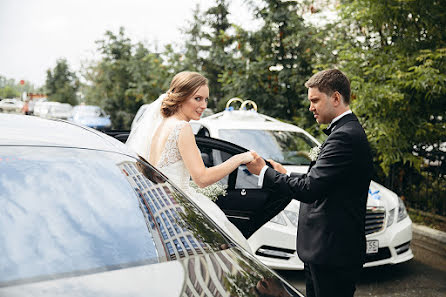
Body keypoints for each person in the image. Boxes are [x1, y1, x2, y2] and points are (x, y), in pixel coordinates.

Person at [246, 69, 373, 297]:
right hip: (326, 250)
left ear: (335, 98)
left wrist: (264, 172)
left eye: (315, 100)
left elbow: (310, 189)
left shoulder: (344, 136)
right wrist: (285, 174)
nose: (310, 107)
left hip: (333, 253)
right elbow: (321, 181)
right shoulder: (343, 132)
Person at [126, 71, 254, 251]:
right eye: (198, 98)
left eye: (206, 100)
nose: (203, 105)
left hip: (161, 208)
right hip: (178, 209)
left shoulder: (163, 124)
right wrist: (239, 158)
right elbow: (201, 179)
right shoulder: (182, 127)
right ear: (181, 97)